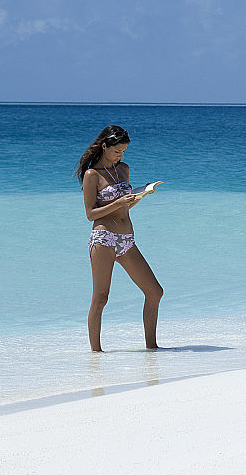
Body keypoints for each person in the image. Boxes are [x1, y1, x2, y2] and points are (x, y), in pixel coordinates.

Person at [74, 125, 163, 352]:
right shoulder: (92, 175)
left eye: (123, 151)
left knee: (155, 291)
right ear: (104, 146)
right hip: (103, 239)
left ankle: (152, 349)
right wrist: (118, 203)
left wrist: (139, 197)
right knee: (101, 299)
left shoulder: (123, 169)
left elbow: (125, 206)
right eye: (116, 151)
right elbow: (90, 214)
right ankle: (96, 354)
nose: (120, 156)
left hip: (126, 240)